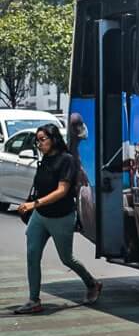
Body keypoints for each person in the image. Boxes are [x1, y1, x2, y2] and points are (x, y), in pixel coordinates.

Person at [14, 123, 102, 314]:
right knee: (32, 255)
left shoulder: (67, 160)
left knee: (67, 258)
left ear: (53, 139)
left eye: (42, 139)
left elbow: (62, 191)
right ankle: (33, 300)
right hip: (40, 216)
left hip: (61, 216)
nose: (39, 144)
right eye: (37, 140)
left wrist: (33, 204)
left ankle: (92, 283)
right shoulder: (44, 159)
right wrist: (32, 205)